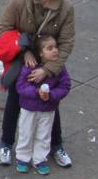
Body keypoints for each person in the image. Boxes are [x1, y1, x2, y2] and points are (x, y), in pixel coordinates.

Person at [0, 0, 75, 169]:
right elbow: (4, 28)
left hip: (49, 62)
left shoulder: (65, 8)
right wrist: (25, 51)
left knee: (50, 103)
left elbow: (67, 43)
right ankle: (6, 144)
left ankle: (56, 146)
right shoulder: (20, 1)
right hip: (22, 61)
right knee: (15, 99)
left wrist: (47, 70)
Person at [13, 35, 72, 175]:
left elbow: (65, 86)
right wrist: (36, 92)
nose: (55, 51)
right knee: (26, 133)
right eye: (49, 48)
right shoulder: (30, 66)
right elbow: (21, 86)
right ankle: (23, 157)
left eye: (55, 47)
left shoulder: (60, 69)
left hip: (48, 109)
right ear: (40, 53)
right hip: (29, 108)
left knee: (44, 135)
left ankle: (40, 159)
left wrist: (51, 95)